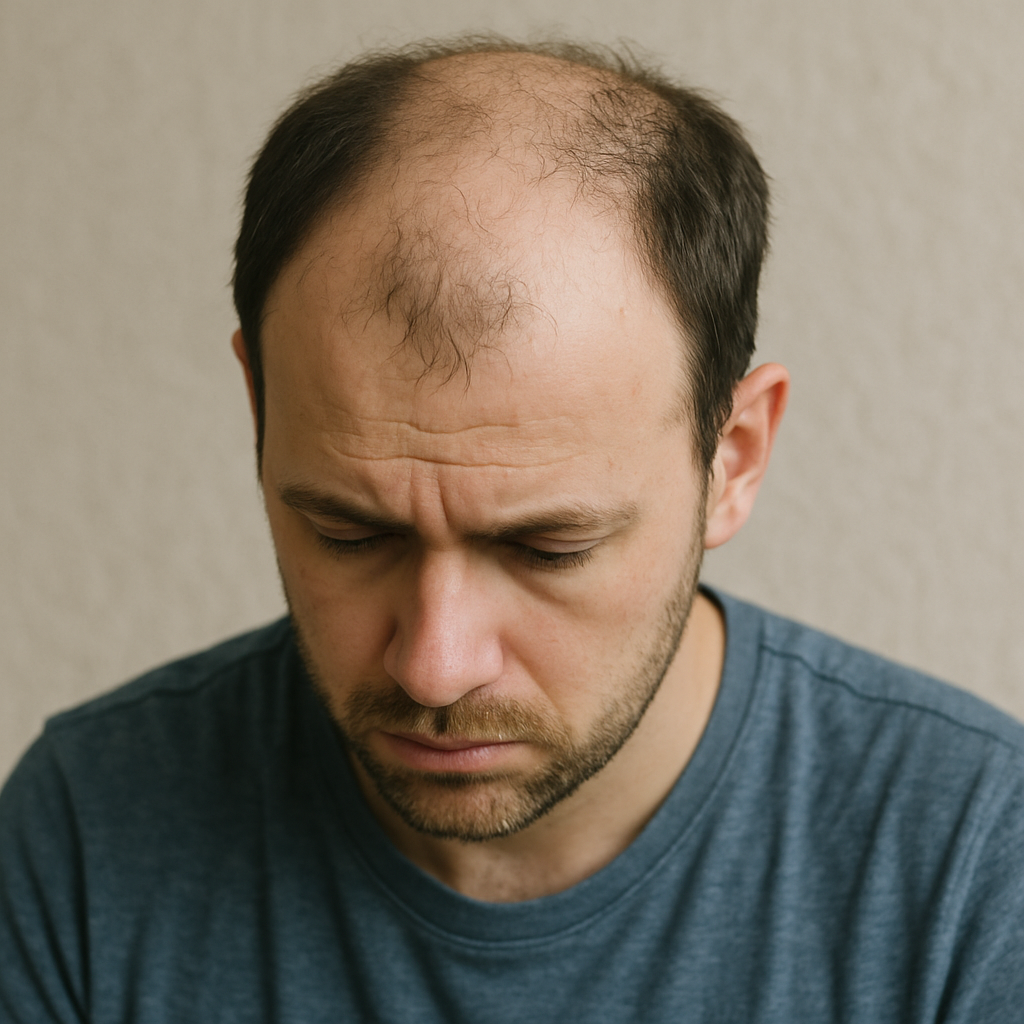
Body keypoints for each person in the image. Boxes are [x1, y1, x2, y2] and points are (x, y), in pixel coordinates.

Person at [2, 37, 1023, 1023]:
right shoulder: (85, 831)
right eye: (351, 534)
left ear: (734, 456)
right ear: (259, 409)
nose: (434, 668)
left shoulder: (974, 864)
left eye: (547, 549)